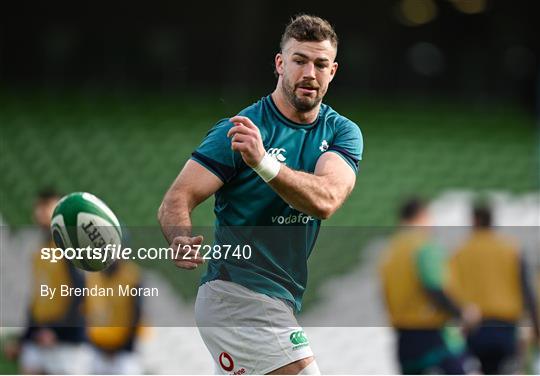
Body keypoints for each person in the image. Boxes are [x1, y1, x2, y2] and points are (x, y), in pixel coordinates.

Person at [158, 14, 363, 375]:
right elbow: (176, 199)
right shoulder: (241, 130)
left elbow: (326, 199)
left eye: (320, 64)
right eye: (299, 61)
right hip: (237, 294)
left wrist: (263, 162)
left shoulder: (341, 131)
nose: (309, 74)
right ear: (280, 64)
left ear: (333, 71)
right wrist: (179, 235)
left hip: (276, 300)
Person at [379, 198, 479, 374]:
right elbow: (434, 287)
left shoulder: (390, 252)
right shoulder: (424, 246)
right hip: (434, 338)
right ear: (423, 215)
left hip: (404, 341)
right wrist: (462, 313)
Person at [451, 204, 540, 374]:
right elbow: (526, 290)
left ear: (474, 221)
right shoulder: (511, 249)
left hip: (475, 328)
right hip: (505, 328)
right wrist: (536, 327)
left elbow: (451, 290)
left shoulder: (461, 251)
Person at [19, 188, 91, 374]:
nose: (41, 212)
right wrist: (25, 336)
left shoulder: (69, 247)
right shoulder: (39, 250)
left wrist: (56, 331)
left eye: (47, 206)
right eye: (39, 206)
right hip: (41, 336)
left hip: (64, 340)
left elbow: (80, 292)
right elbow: (38, 297)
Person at [85, 260, 144, 374]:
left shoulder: (132, 276)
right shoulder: (94, 276)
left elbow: (135, 316)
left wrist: (118, 348)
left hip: (124, 350)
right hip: (97, 348)